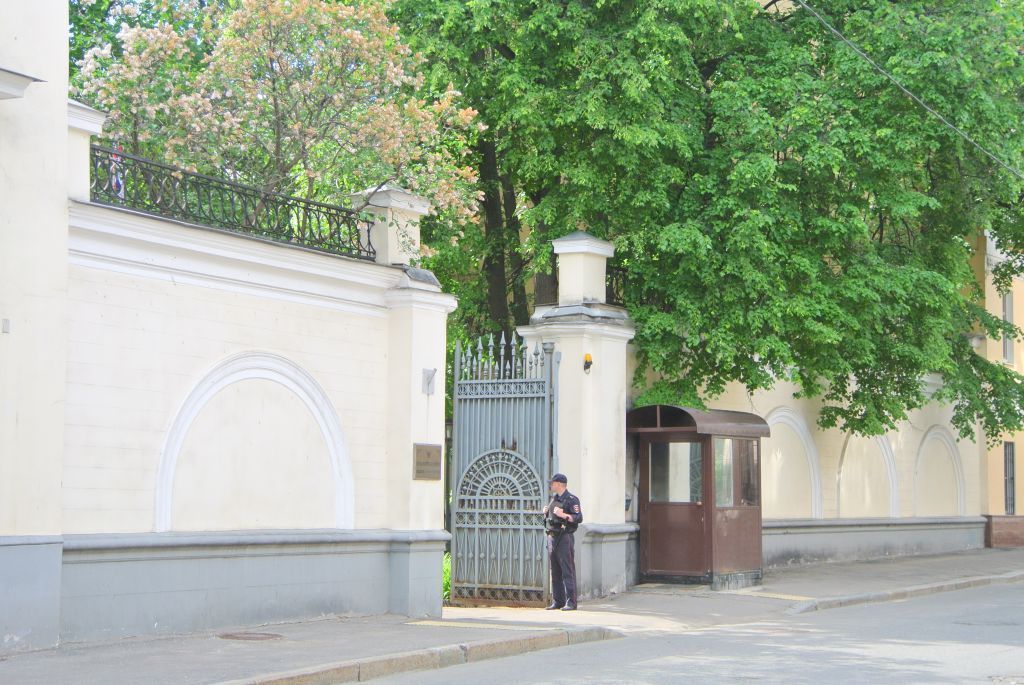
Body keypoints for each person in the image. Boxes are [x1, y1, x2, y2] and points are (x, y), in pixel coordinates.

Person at [543, 473, 582, 611]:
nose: (551, 485)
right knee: (555, 571)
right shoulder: (554, 499)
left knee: (567, 570)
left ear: (559, 484)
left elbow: (578, 517)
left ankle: (571, 602)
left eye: (552, 483)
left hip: (564, 537)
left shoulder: (571, 499)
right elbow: (552, 517)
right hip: (552, 537)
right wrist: (546, 512)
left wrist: (564, 515)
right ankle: (558, 601)